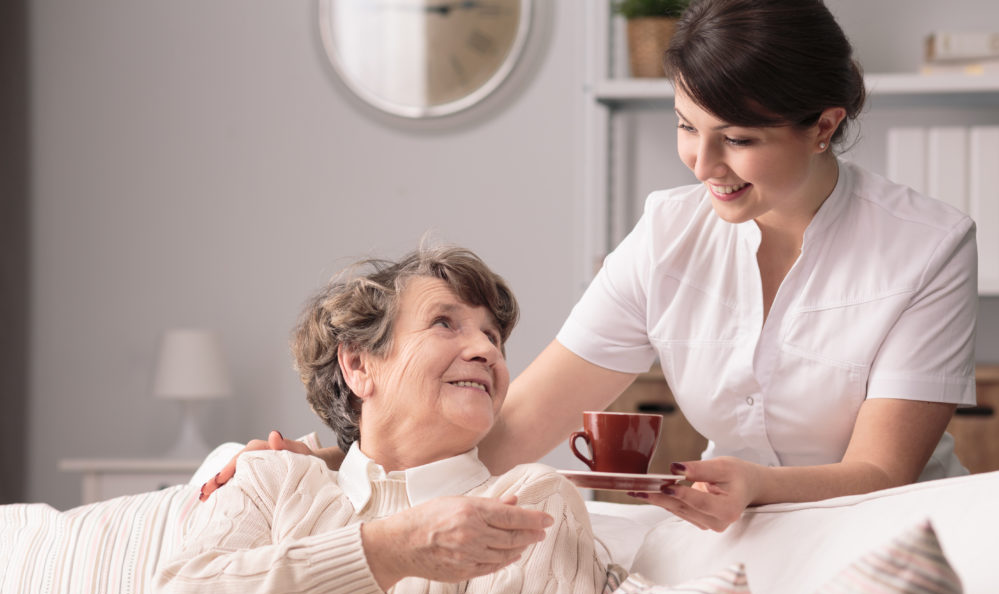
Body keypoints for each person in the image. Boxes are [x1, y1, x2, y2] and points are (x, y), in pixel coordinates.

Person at [203, 0, 977, 534]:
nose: (702, 164)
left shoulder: (926, 246)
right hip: (728, 532)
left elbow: (881, 470)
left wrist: (762, 485)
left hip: (884, 531)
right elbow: (512, 430)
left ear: (823, 127)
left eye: (737, 138)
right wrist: (337, 460)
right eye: (685, 126)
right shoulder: (667, 234)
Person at [141, 247, 605, 594]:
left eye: (494, 338)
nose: (487, 350)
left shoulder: (528, 504)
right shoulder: (271, 479)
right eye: (445, 322)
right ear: (359, 365)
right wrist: (392, 549)